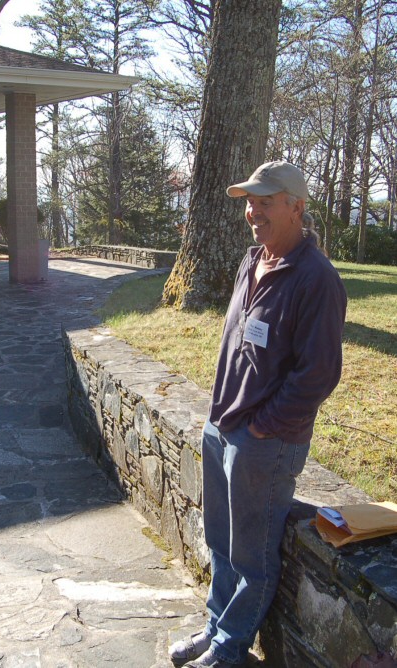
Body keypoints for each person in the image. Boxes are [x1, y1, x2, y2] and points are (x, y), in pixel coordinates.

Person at [169, 161, 347, 668]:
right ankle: (214, 628)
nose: (253, 212)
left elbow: (318, 375)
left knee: (252, 555)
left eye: (265, 202)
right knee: (220, 542)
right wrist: (221, 415)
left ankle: (229, 649)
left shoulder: (318, 279)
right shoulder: (254, 261)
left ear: (297, 206)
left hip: (265, 442)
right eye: (250, 202)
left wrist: (263, 426)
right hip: (222, 425)